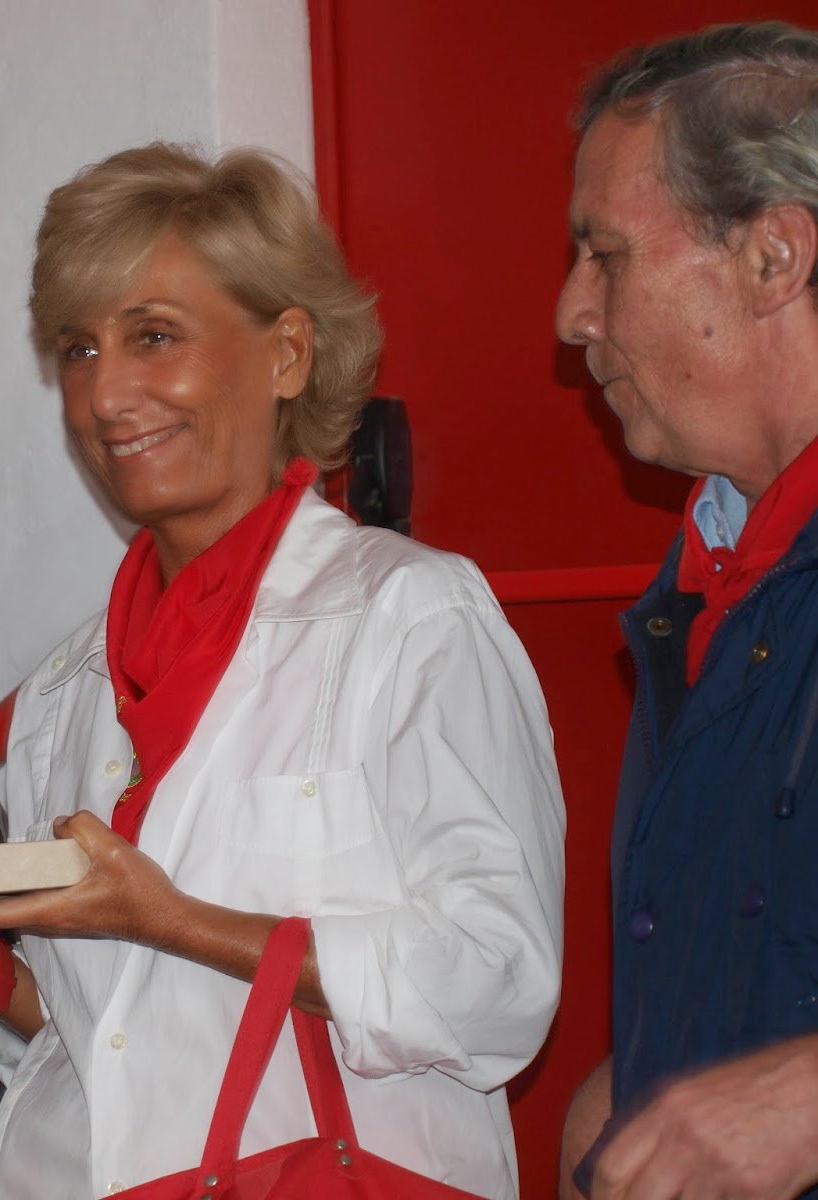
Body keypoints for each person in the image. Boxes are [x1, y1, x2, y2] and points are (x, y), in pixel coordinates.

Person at [0, 143, 566, 1199]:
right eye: (78, 350)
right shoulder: (57, 693)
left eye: (153, 337)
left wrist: (173, 919)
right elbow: (116, 1042)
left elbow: (498, 987)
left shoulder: (411, 615)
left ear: (288, 355)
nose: (106, 394)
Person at [552, 22, 818, 1200]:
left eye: (603, 254)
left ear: (774, 256)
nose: (571, 314)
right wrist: (645, 1079)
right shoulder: (707, 586)